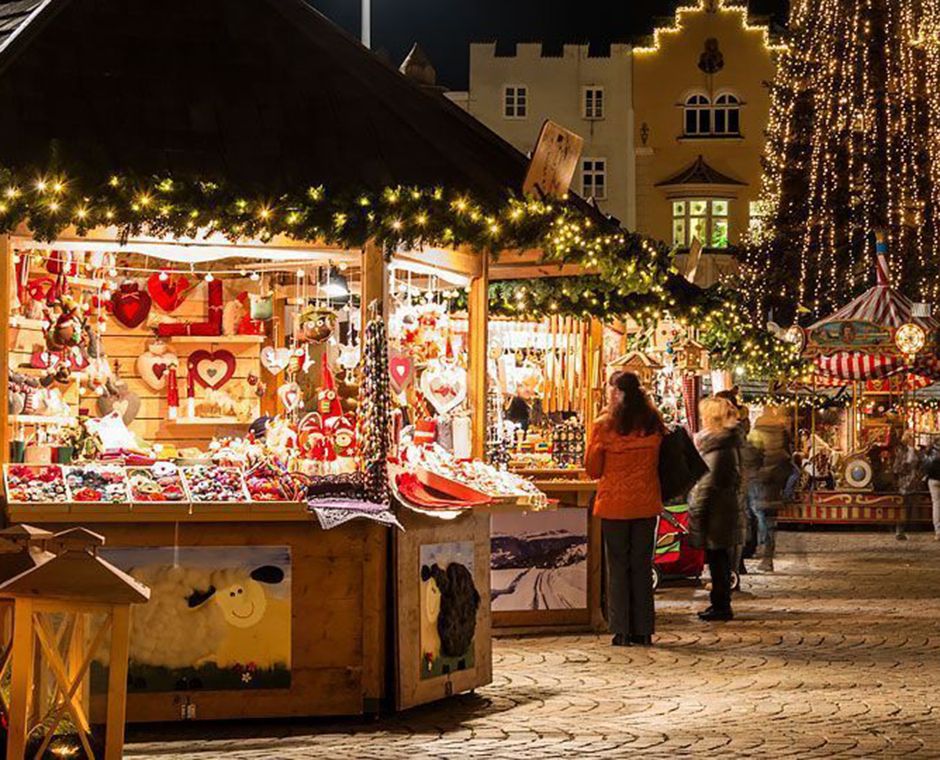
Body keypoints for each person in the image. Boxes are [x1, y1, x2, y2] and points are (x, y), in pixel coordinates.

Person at [586, 371, 665, 647]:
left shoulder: (604, 425)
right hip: (646, 504)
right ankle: (643, 629)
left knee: (618, 566)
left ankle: (621, 629)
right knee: (641, 565)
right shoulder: (652, 422)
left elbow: (593, 469)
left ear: (616, 393)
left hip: (614, 505)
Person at [689, 396, 742, 622]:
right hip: (722, 511)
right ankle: (719, 603)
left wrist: (696, 510)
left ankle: (721, 605)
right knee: (718, 559)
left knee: (718, 560)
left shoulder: (718, 448)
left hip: (716, 514)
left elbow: (706, 486)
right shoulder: (724, 445)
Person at [749, 405, 793, 572]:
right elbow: (788, 455)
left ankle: (761, 549)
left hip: (759, 479)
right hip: (775, 480)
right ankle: (768, 554)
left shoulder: (756, 432)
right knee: (769, 519)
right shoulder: (781, 432)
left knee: (758, 513)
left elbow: (750, 456)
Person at [893, 431, 924, 541]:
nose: (913, 439)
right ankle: (900, 530)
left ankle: (907, 528)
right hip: (904, 482)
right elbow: (896, 468)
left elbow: (921, 465)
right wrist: (906, 467)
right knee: (904, 507)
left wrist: (919, 474)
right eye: (911, 437)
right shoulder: (902, 452)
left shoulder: (916, 452)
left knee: (911, 507)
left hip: (914, 482)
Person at [924, 440, 940, 541]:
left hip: (933, 480)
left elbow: (925, 466)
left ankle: (938, 531)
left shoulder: (930, 451)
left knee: (936, 504)